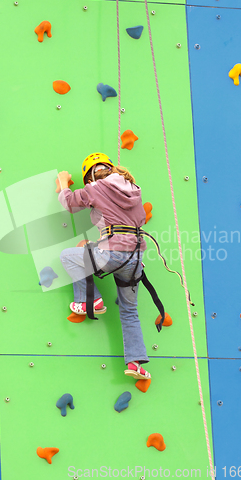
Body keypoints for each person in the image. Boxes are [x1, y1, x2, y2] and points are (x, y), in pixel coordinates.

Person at [57, 152, 151, 380]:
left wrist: (62, 183)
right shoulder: (134, 191)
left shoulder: (97, 188)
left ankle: (88, 300)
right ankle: (135, 363)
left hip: (112, 256)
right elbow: (125, 227)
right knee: (130, 311)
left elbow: (70, 203)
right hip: (134, 259)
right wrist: (97, 243)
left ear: (90, 177)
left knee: (68, 256)